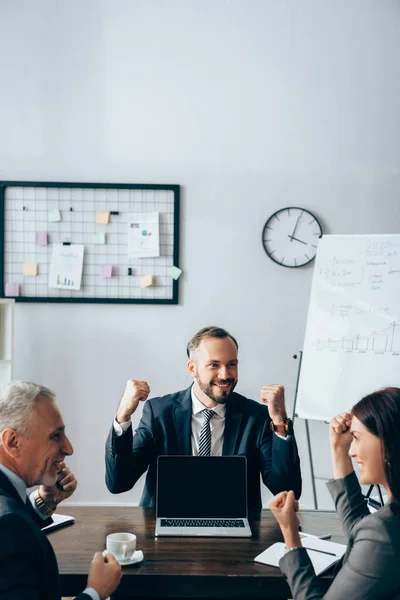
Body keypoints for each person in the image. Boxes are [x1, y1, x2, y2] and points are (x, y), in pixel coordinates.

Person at [105, 326, 301, 510]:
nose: (225, 375)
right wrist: (123, 415)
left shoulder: (256, 416)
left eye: (231, 364)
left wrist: (279, 423)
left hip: (236, 528)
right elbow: (119, 482)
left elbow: (286, 490)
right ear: (192, 369)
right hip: (167, 521)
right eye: (214, 365)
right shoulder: (159, 412)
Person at [269, 386, 400, 600]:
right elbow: (361, 531)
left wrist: (291, 537)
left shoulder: (383, 532)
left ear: (387, 442)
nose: (352, 450)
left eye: (357, 438)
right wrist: (338, 449)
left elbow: (374, 536)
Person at [0, 380, 122, 600]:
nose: (68, 448)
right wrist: (95, 592)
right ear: (12, 442)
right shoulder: (9, 525)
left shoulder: (9, 513)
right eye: (55, 436)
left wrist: (43, 503)